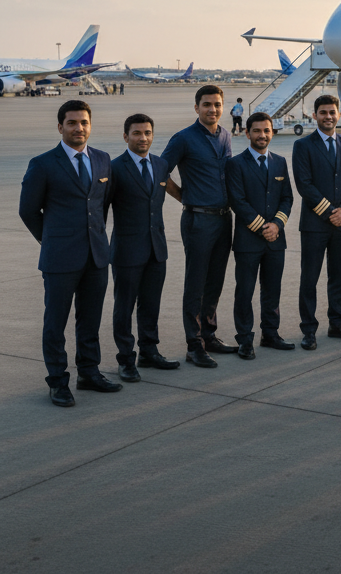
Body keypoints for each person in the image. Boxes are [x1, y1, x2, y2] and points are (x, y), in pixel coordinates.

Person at [19, 99, 121, 406]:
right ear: (60, 126)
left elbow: (101, 205)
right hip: (60, 257)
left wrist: (95, 238)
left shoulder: (103, 160)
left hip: (96, 257)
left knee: (90, 320)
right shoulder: (44, 163)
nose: (79, 128)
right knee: (56, 323)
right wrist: (49, 239)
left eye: (84, 122)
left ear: (91, 125)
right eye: (73, 123)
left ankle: (89, 373)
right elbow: (28, 210)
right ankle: (58, 381)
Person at [160, 85, 237, 368]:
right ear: (196, 108)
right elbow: (161, 171)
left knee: (215, 280)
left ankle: (209, 334)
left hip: (223, 218)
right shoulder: (183, 139)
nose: (212, 109)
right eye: (206, 104)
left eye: (217, 104)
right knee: (196, 283)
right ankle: (194, 345)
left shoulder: (226, 136)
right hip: (198, 220)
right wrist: (184, 197)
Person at [109, 113, 181, 382]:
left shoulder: (161, 165)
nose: (143, 138)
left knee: (151, 305)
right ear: (126, 136)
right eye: (137, 133)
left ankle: (149, 352)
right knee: (124, 307)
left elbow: (172, 192)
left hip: (156, 248)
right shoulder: (114, 168)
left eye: (148, 133)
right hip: (126, 250)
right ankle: (126, 359)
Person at [292, 95, 341, 348]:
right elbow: (304, 185)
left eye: (332, 112)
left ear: (339, 115)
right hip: (315, 224)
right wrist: (330, 212)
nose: (328, 117)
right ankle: (308, 329)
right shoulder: (303, 145)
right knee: (309, 278)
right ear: (315, 116)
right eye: (323, 113)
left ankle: (337, 323)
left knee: (339, 276)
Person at [225, 112, 295, 358]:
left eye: (266, 130)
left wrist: (276, 225)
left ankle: (271, 333)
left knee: (272, 289)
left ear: (272, 133)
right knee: (245, 290)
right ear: (247, 133)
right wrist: (263, 227)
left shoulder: (279, 161)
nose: (262, 135)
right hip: (248, 240)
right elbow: (238, 201)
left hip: (276, 239)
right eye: (257, 131)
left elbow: (287, 198)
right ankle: (244, 338)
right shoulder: (235, 164)